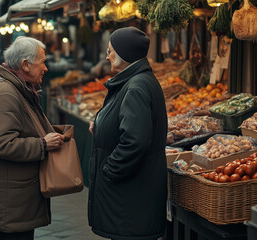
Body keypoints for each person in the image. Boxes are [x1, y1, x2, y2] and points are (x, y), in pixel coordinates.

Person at [0, 36, 65, 240]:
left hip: (13, 197)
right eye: (42, 62)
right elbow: (2, 143)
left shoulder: (14, 87)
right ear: (25, 65)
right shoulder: (6, 93)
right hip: (11, 200)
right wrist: (43, 144)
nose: (46, 68)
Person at [87, 27, 168, 240]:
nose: (107, 56)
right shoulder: (135, 82)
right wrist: (101, 123)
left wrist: (109, 170)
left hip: (130, 199)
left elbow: (135, 141)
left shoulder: (136, 87)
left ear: (125, 54)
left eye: (111, 51)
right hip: (132, 198)